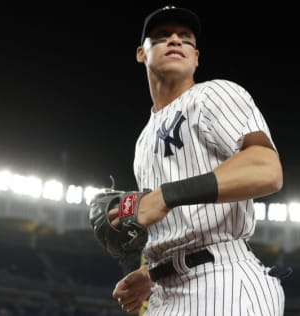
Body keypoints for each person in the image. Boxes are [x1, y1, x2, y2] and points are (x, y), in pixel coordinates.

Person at [110, 5, 286, 316]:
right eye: (162, 36)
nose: (175, 40)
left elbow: (266, 168)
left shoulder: (212, 95)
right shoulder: (142, 140)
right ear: (141, 53)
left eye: (185, 37)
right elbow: (176, 228)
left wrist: (167, 195)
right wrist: (149, 274)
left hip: (223, 281)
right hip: (166, 293)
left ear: (196, 57)